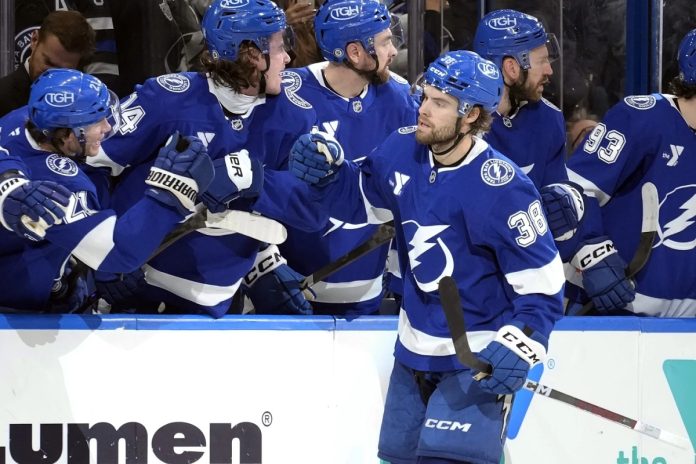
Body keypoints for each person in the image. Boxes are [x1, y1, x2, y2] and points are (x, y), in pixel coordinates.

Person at [264, 50, 564, 463]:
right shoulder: (403, 148)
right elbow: (363, 201)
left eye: (440, 104)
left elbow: (543, 285)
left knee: (449, 457)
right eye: (425, 96)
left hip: (472, 356)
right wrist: (331, 175)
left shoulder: (503, 187)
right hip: (412, 350)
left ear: (472, 115)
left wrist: (521, 343)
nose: (423, 109)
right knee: (397, 457)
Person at [88, 0, 314, 318]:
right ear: (251, 55)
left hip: (223, 301)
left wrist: (264, 255)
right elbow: (90, 168)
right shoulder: (165, 101)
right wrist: (100, 249)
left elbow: (312, 210)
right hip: (142, 291)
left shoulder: (293, 116)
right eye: (279, 47)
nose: (288, 57)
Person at [0, 68, 216, 312]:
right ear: (68, 134)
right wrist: (169, 194)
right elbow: (118, 253)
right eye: (96, 121)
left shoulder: (21, 119)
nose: (107, 127)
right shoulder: (63, 189)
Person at [258, 0, 416, 317]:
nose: (393, 52)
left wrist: (403, 277)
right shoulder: (286, 95)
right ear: (356, 53)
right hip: (287, 294)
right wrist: (262, 263)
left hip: (370, 298)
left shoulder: (399, 97)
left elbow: (410, 193)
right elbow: (249, 182)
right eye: (385, 42)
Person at [544, 28, 696, 317]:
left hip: (688, 329)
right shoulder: (642, 118)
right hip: (618, 312)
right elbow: (569, 194)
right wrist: (591, 253)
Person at [473, 8, 566, 190]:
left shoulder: (549, 118)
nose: (549, 71)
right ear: (512, 67)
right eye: (541, 61)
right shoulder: (462, 122)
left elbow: (557, 202)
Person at [0, 10, 96, 118]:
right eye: (48, 62)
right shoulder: (2, 97)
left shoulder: (84, 104)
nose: (51, 76)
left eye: (62, 71)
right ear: (34, 40)